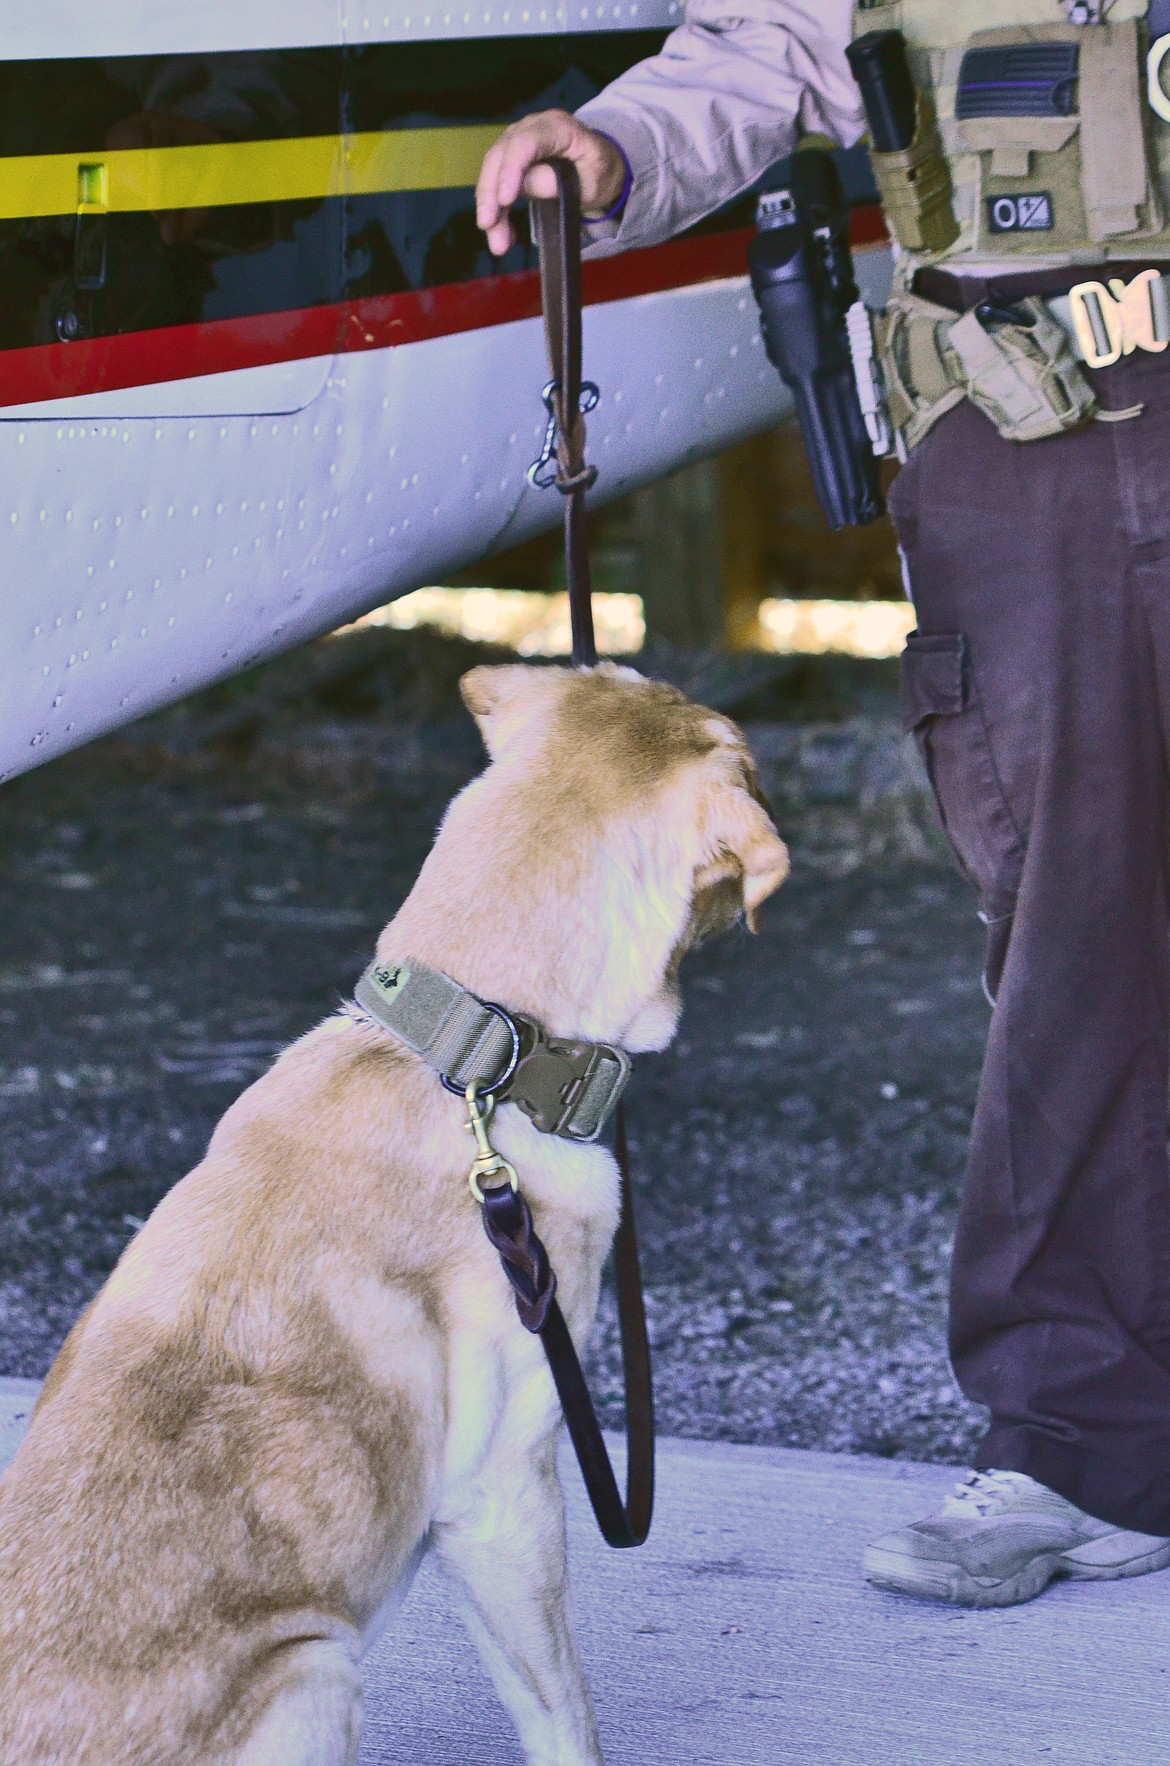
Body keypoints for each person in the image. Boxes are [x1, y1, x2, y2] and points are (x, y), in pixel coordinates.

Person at [476, 0, 1170, 1609]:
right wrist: (618, 146)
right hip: (1022, 428)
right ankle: (1081, 1440)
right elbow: (759, 49)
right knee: (1072, 923)